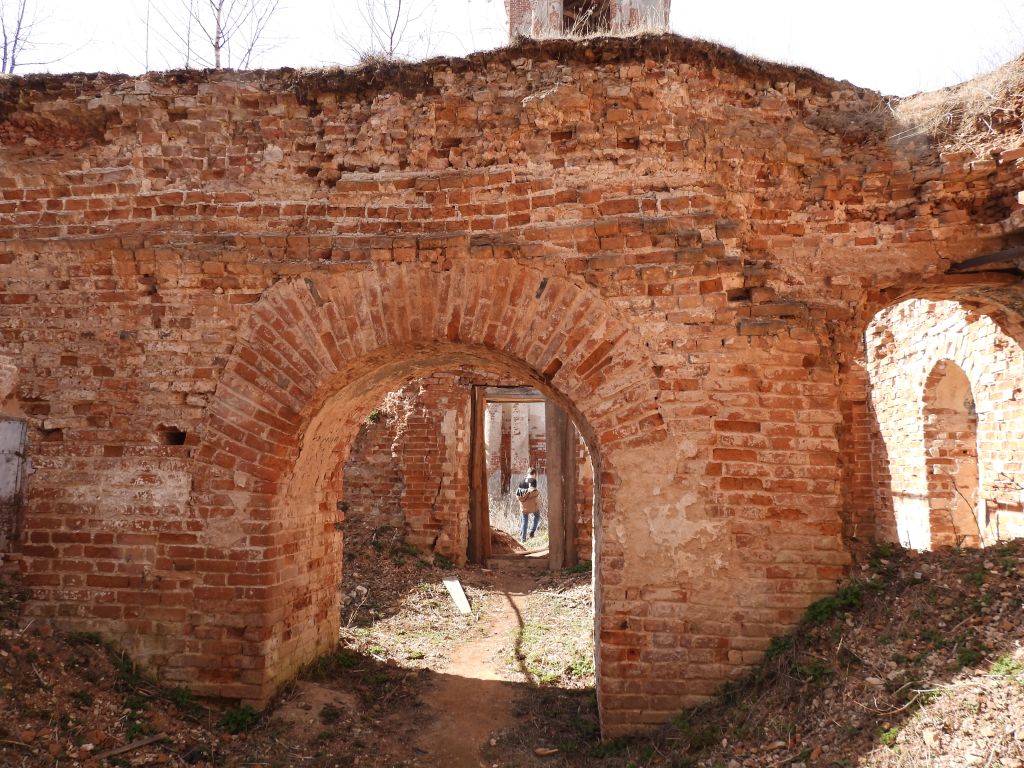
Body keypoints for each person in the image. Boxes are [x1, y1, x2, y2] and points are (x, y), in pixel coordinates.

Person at [515, 467, 540, 543]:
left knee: (524, 520)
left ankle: (523, 539)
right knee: (537, 515)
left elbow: (518, 494)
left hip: (523, 505)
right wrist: (538, 492)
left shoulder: (521, 481)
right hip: (532, 505)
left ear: (528, 473)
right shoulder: (533, 481)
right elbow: (533, 493)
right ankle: (532, 531)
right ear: (534, 474)